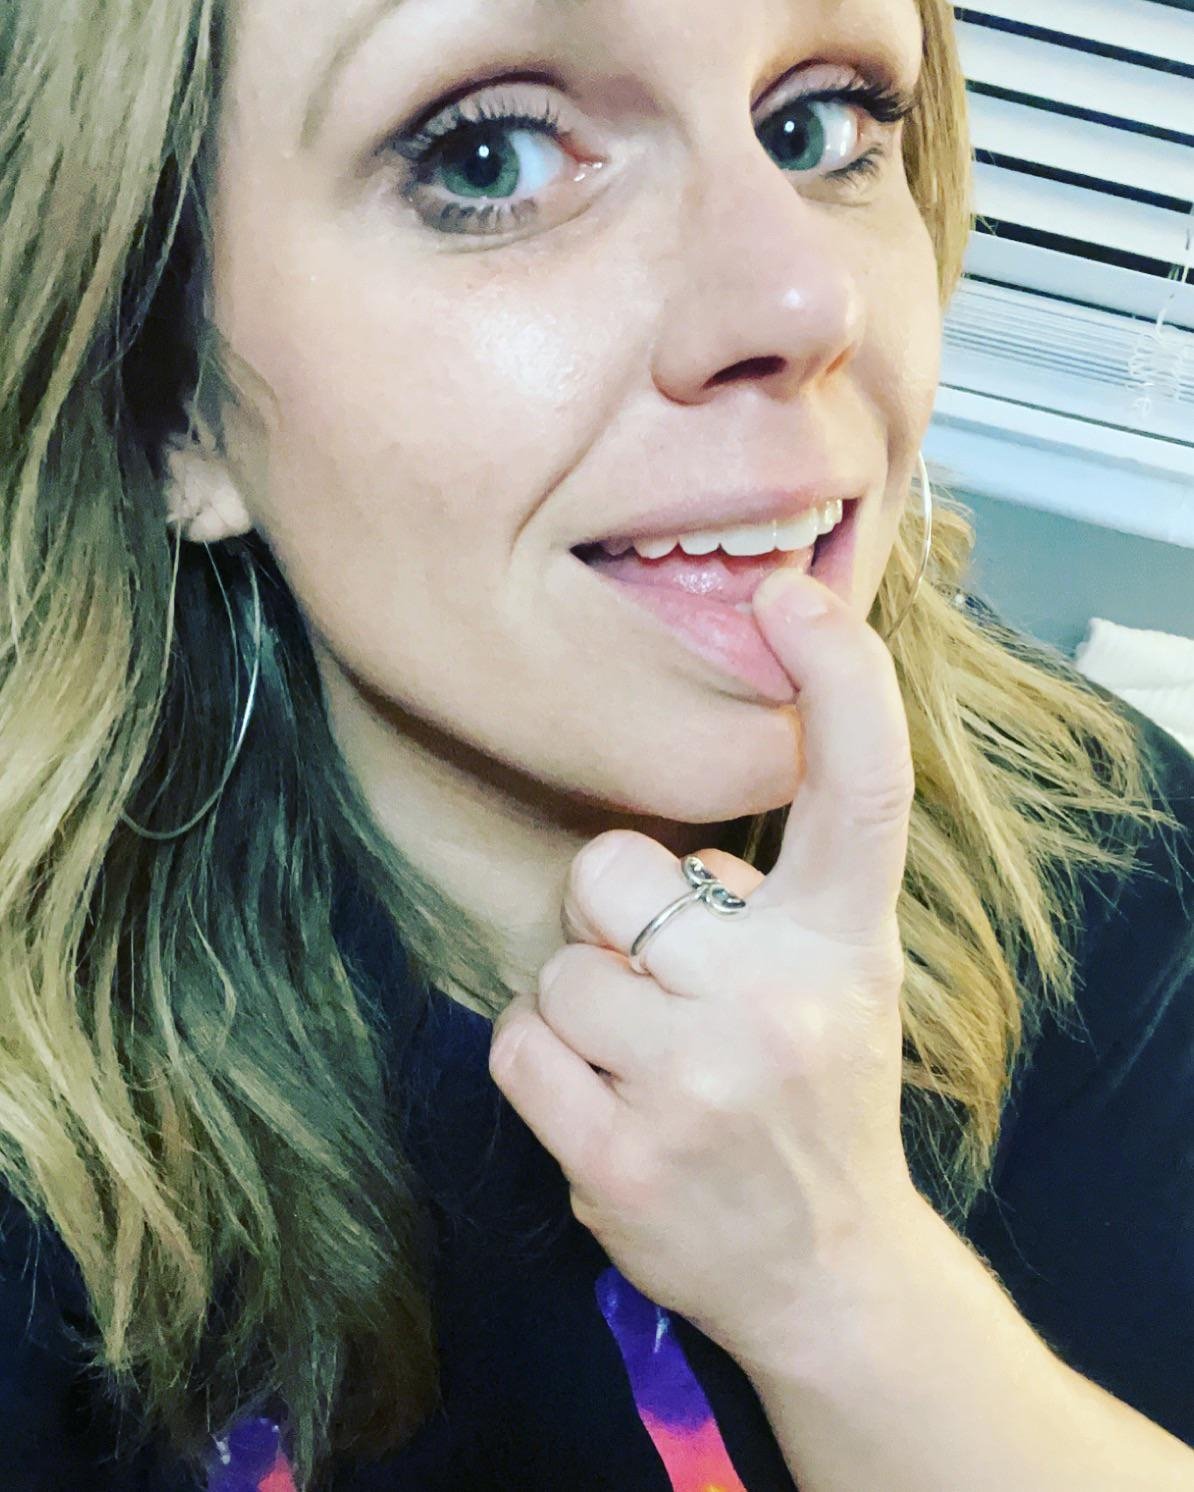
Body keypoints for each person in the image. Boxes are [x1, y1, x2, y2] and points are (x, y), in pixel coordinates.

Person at [0, 0, 1191, 1487]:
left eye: (817, 124)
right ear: (175, 404)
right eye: (489, 159)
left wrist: (842, 1290)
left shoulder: (1114, 854)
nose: (803, 300)